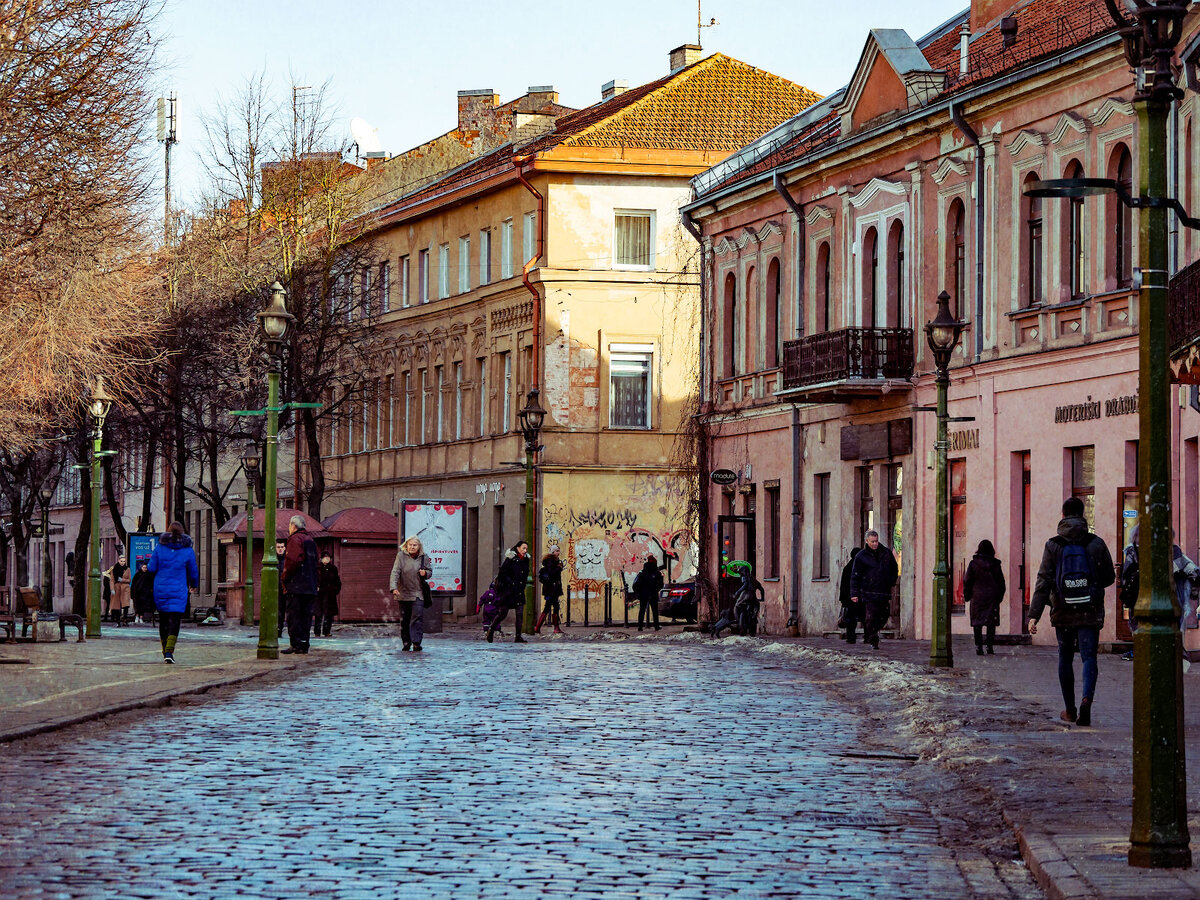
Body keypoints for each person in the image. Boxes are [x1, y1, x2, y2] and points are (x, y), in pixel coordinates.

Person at [1028, 496, 1115, 727]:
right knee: (1089, 657)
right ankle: (1087, 700)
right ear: (1083, 514)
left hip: (1063, 610)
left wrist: (1033, 615)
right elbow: (1109, 577)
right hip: (1089, 609)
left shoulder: (1053, 545)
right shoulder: (1096, 543)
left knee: (1065, 657)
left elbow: (1043, 580)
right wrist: (1089, 585)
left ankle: (1069, 709)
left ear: (1063, 515)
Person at [1118, 525, 1199, 662]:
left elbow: (1126, 579)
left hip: (1141, 603)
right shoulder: (1173, 552)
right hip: (1167, 603)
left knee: (1146, 642)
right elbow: (1194, 573)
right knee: (1166, 643)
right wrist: (1186, 586)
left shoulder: (1134, 552)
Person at [147, 522, 199, 664]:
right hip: (179, 589)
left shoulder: (160, 548)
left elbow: (151, 568)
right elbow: (193, 571)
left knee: (163, 620)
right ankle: (170, 652)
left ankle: (165, 651)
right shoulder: (188, 550)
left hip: (161, 588)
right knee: (175, 620)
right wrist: (194, 585)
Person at [850, 529, 899, 649]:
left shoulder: (886, 553)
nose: (875, 544)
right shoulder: (861, 556)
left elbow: (894, 568)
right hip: (869, 592)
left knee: (884, 614)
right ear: (867, 541)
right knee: (871, 616)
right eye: (872, 542)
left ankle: (873, 632)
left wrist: (891, 581)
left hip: (883, 590)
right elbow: (855, 576)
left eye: (876, 541)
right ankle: (872, 638)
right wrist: (854, 593)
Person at [280, 516, 319, 655]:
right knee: (306, 617)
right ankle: (304, 643)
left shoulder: (294, 539)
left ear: (293, 526)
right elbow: (315, 564)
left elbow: (293, 561)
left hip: (296, 585)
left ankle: (295, 644)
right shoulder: (311, 540)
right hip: (310, 586)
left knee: (294, 616)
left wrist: (284, 577)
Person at [964, 540, 1006, 656]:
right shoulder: (996, 565)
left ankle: (978, 647)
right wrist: (999, 597)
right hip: (992, 596)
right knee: (990, 622)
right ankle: (989, 646)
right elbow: (1001, 583)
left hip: (977, 596)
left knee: (977, 622)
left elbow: (967, 581)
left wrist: (967, 596)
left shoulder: (973, 564)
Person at [390, 536, 432, 651]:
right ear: (406, 545)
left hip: (418, 593)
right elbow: (395, 572)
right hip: (403, 592)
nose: (412, 547)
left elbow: (430, 571)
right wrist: (393, 587)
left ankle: (416, 642)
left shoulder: (424, 557)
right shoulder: (401, 556)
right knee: (405, 619)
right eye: (410, 545)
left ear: (419, 547)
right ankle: (406, 642)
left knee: (417, 617)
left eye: (415, 545)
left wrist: (425, 573)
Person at [487, 541, 530, 644]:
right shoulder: (510, 559)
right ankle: (491, 629)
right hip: (508, 592)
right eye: (523, 548)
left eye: (526, 549)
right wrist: (511, 583)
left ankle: (518, 636)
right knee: (503, 614)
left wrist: (521, 585)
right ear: (518, 548)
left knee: (519, 614)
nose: (525, 551)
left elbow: (525, 574)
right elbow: (502, 574)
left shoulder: (526, 560)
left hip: (519, 591)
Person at [535, 547, 565, 635]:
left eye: (558, 551)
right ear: (552, 552)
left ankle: (538, 627)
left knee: (549, 607)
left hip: (551, 589)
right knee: (553, 607)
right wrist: (559, 568)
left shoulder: (552, 561)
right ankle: (555, 628)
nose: (558, 552)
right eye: (556, 551)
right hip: (552, 589)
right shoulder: (551, 561)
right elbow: (552, 574)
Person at [633, 554, 664, 632]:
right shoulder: (657, 573)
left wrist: (639, 593)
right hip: (653, 594)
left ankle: (640, 627)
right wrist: (656, 589)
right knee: (655, 611)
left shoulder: (642, 573)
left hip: (643, 594)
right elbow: (661, 584)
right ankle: (656, 626)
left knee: (642, 610)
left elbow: (636, 584)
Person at [314, 552, 342, 637]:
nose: (327, 559)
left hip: (330, 594)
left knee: (329, 614)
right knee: (318, 613)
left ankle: (327, 631)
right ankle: (317, 631)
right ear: (321, 558)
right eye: (325, 557)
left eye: (329, 558)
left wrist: (335, 590)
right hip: (319, 594)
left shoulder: (333, 568)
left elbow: (337, 581)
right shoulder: (317, 568)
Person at [838, 547, 862, 643]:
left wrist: (843, 599)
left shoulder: (847, 567)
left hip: (849, 598)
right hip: (858, 597)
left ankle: (851, 637)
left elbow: (843, 585)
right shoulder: (859, 567)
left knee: (851, 619)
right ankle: (867, 637)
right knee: (863, 617)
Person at [106, 556, 131, 625]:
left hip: (125, 588)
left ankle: (125, 620)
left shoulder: (127, 569)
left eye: (124, 561)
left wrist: (122, 580)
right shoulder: (114, 569)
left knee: (125, 604)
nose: (123, 563)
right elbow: (112, 580)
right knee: (116, 605)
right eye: (121, 561)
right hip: (117, 588)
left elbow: (129, 580)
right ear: (118, 561)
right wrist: (112, 589)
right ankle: (118, 621)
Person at [275, 540, 288, 640]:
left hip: (284, 590)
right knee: (279, 611)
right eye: (278, 547)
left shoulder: (286, 561)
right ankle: (278, 629)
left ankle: (279, 629)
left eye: (281, 547)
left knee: (282, 611)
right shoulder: (274, 560)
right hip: (276, 590)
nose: (280, 549)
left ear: (284, 548)